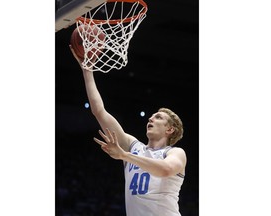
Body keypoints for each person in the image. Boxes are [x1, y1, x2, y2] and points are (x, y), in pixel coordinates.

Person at [69, 45, 187, 216]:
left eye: (158, 117)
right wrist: (87, 70)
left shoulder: (175, 153)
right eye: (151, 116)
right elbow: (99, 112)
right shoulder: (134, 147)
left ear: (170, 129)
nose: (151, 119)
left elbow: (165, 170)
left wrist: (124, 155)